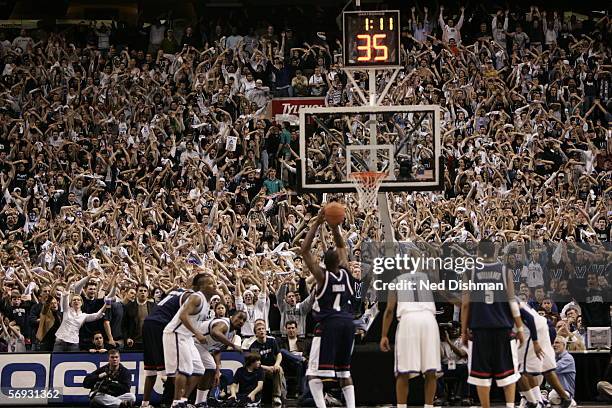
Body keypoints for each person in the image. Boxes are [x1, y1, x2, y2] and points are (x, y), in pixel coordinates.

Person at [301, 208, 356, 408]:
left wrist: (317, 223)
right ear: (340, 261)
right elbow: (342, 245)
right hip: (348, 324)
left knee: (313, 372)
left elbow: (305, 251)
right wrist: (335, 228)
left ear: (323, 262)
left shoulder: (323, 277)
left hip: (329, 324)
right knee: (344, 372)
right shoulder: (347, 272)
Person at [461, 242, 525, 408]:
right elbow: (512, 301)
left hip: (480, 329)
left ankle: (485, 407)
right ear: (495, 251)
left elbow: (465, 304)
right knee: (509, 373)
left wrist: (463, 331)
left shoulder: (470, 271)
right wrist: (519, 328)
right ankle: (510, 406)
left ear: (478, 251)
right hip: (503, 329)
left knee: (481, 375)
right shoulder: (505, 271)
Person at [380, 250, 441, 408]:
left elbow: (389, 311)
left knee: (403, 371)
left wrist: (384, 335)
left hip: (408, 320)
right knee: (431, 370)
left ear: (401, 267)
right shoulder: (427, 278)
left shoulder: (396, 281)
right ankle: (429, 406)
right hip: (429, 320)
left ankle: (402, 406)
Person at [163, 273, 218, 408]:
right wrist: (197, 333)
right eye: (210, 283)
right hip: (176, 333)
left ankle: (183, 399)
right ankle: (176, 403)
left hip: (186, 337)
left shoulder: (207, 302)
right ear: (201, 287)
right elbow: (183, 316)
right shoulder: (196, 297)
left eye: (214, 282)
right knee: (183, 370)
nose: (214, 285)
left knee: (199, 369)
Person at [141, 287, 194, 408]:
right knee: (172, 371)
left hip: (148, 323)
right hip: (161, 325)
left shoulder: (174, 292)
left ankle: (144, 404)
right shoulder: (189, 295)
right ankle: (177, 402)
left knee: (150, 370)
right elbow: (184, 316)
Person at [193, 312, 246, 406]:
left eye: (244, 320)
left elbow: (217, 350)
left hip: (202, 347)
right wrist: (233, 345)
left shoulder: (232, 333)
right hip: (192, 342)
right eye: (239, 317)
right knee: (195, 371)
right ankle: (184, 400)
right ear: (232, 316)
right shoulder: (224, 324)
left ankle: (200, 402)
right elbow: (215, 332)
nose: (241, 321)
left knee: (210, 368)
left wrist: (217, 370)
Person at [247, 319, 285, 406]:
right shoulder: (254, 346)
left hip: (272, 367)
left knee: (279, 369)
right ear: (256, 334)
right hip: (260, 369)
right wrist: (267, 368)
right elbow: (255, 364)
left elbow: (279, 354)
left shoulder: (272, 341)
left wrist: (276, 364)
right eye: (259, 329)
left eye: (263, 329)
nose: (261, 331)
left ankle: (277, 396)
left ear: (266, 331)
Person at [278, 320, 310, 398]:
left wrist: (302, 358)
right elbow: (279, 354)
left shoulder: (304, 342)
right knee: (282, 350)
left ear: (296, 329)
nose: (291, 330)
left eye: (293, 328)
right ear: (286, 330)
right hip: (287, 363)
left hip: (299, 364)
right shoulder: (282, 342)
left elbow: (308, 355)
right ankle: (300, 359)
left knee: (299, 364)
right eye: (289, 328)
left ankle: (299, 392)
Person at [550, 337, 576, 406]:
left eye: (557, 342)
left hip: (565, 391)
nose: (554, 345)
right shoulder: (554, 357)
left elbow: (552, 369)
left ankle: (569, 400)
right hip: (553, 390)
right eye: (553, 343)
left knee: (552, 396)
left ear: (564, 345)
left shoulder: (568, 358)